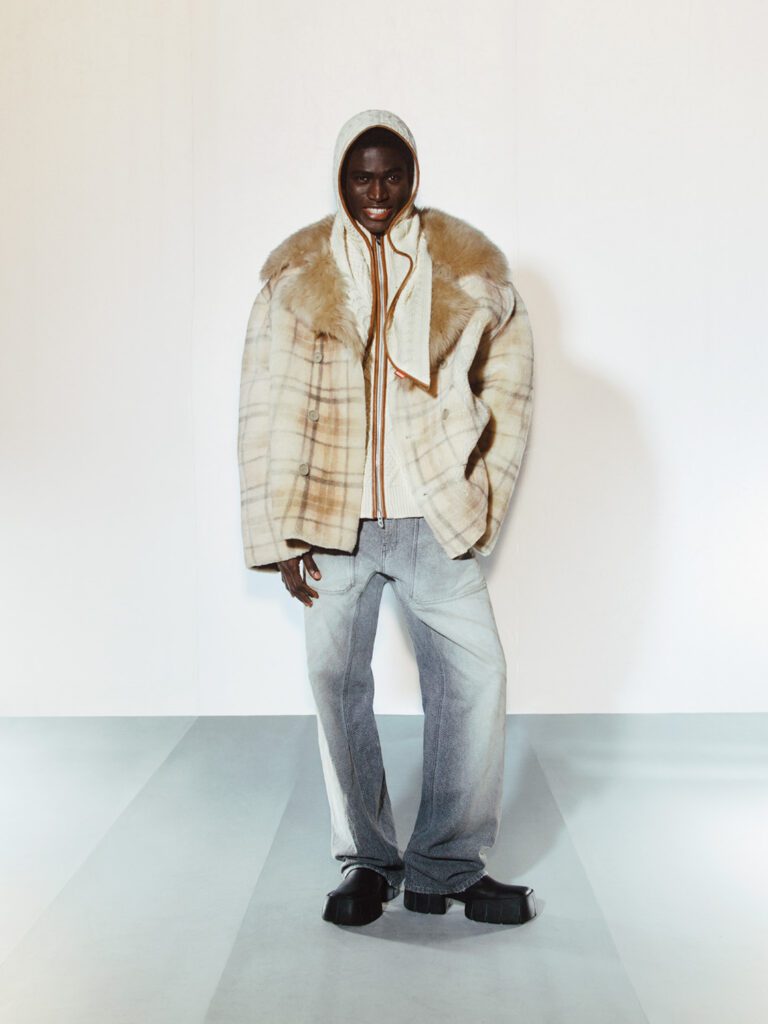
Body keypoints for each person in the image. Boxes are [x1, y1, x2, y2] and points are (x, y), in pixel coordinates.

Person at [237, 109, 537, 927]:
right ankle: (366, 862)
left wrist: (482, 499)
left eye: (392, 175)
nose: (378, 191)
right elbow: (262, 406)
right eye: (362, 176)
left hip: (431, 516)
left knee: (476, 679)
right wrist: (278, 533)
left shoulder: (463, 269)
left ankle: (447, 864)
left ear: (413, 177)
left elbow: (509, 386)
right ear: (342, 178)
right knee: (337, 687)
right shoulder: (296, 275)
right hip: (330, 522)